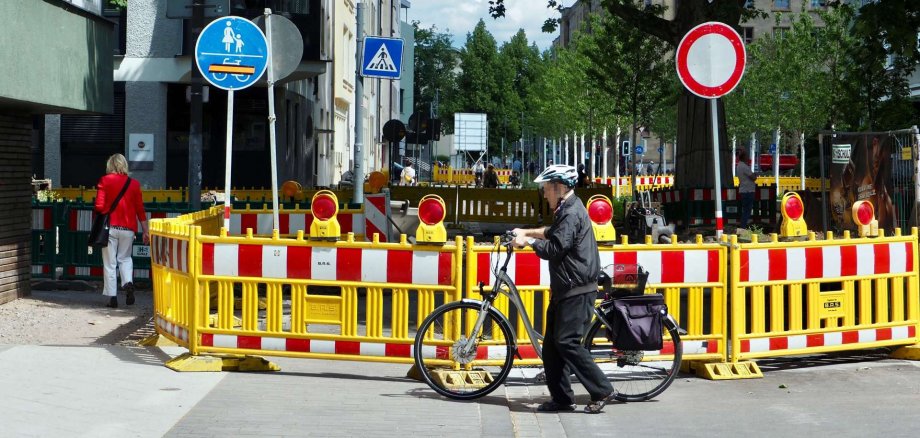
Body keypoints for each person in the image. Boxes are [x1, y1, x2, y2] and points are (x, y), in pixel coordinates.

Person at [511, 164, 614, 414]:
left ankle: (602, 389)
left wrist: (528, 242)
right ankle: (562, 399)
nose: (544, 193)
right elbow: (553, 233)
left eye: (546, 188)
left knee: (567, 342)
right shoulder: (566, 209)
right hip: (565, 288)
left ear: (558, 188)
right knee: (551, 347)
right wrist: (527, 231)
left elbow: (556, 248)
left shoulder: (571, 212)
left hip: (576, 288)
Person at [95, 153, 149, 308]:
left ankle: (112, 297)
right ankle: (128, 282)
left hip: (110, 228)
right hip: (128, 229)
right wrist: (146, 231)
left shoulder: (105, 181)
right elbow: (140, 210)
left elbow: (99, 206)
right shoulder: (134, 184)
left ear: (110, 165)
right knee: (125, 259)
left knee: (110, 263)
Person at [736, 149, 756, 228]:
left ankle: (743, 225)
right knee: (747, 210)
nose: (748, 158)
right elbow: (753, 177)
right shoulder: (744, 167)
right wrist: (755, 175)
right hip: (748, 191)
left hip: (743, 190)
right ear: (744, 157)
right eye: (747, 156)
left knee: (745, 210)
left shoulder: (739, 166)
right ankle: (743, 226)